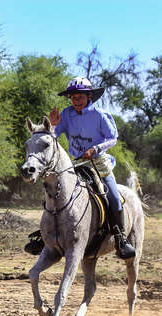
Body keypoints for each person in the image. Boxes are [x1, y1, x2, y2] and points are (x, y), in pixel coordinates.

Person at [24, 77, 136, 259]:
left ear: (89, 96)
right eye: (73, 98)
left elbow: (112, 138)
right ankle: (45, 236)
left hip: (99, 162)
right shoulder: (67, 115)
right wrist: (52, 126)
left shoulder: (100, 115)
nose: (76, 101)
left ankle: (120, 238)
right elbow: (51, 139)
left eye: (80, 97)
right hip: (75, 163)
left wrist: (96, 148)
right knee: (54, 191)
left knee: (113, 196)